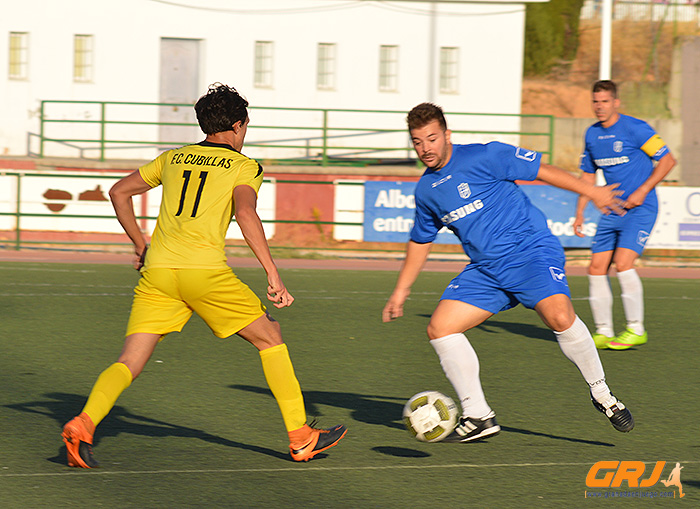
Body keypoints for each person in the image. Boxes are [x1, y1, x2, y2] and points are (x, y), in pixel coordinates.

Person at [61, 83, 346, 467]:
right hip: (204, 272)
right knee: (270, 337)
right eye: (246, 126)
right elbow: (246, 214)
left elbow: (118, 192)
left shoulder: (173, 157)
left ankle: (83, 424)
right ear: (238, 125)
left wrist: (139, 244)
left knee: (129, 361)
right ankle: (301, 436)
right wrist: (272, 272)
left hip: (158, 271)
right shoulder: (244, 166)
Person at [382, 102, 634, 442]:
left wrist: (593, 191)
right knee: (440, 328)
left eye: (432, 138)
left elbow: (542, 171)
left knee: (560, 317)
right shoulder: (427, 191)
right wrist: (401, 291)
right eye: (417, 141)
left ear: (447, 134)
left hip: (530, 252)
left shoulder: (486, 156)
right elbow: (420, 240)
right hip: (487, 270)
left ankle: (602, 394)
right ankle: (478, 415)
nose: (426, 148)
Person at [573, 80, 676, 350]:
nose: (599, 106)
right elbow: (587, 176)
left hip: (641, 208)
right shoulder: (592, 134)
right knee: (595, 268)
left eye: (605, 101)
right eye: (595, 101)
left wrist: (642, 191)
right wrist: (580, 211)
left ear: (616, 102)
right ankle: (604, 332)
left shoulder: (635, 128)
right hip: (611, 210)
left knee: (623, 263)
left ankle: (635, 329)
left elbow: (668, 161)